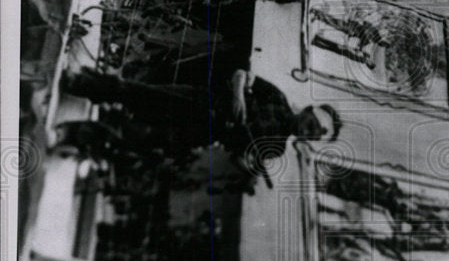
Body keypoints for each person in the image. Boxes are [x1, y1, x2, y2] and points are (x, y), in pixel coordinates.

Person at [59, 66, 341, 190]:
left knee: (139, 139)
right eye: (311, 124)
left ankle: (75, 133)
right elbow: (241, 75)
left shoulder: (276, 149)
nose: (307, 130)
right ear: (306, 111)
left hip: (200, 133)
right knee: (138, 93)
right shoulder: (277, 98)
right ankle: (80, 83)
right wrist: (238, 96)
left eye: (312, 134)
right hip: (200, 101)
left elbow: (237, 154)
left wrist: (246, 166)